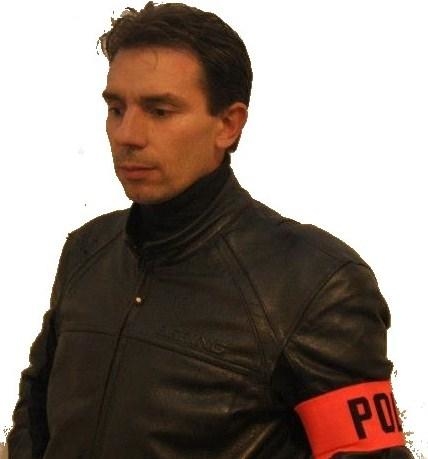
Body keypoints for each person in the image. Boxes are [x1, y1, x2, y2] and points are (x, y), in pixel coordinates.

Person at [7, 2, 414, 458]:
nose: (127, 134)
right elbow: (35, 414)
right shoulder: (88, 250)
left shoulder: (315, 284)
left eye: (160, 111)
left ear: (228, 124)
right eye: (116, 109)